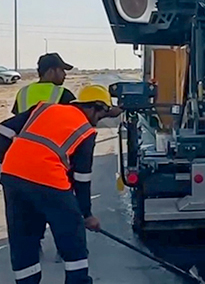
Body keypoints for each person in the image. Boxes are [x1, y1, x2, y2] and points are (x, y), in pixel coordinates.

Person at [0, 85, 120, 284]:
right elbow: (82, 177)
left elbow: (3, 130)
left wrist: (5, 162)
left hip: (12, 175)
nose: (98, 121)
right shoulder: (85, 130)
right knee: (72, 233)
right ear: (94, 107)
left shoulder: (43, 108)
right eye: (101, 115)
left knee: (23, 237)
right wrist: (86, 214)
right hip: (48, 179)